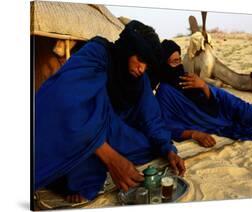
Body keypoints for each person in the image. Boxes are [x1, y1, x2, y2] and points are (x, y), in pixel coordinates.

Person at [35, 21, 185, 203]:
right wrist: (112, 159)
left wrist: (168, 149)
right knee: (75, 165)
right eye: (140, 60)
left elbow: (151, 117)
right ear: (128, 49)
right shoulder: (97, 54)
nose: (142, 69)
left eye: (147, 64)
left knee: (150, 146)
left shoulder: (140, 79)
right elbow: (63, 101)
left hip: (112, 132)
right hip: (78, 127)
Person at [149, 39, 252, 148]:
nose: (179, 65)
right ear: (164, 65)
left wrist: (203, 85)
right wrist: (195, 134)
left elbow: (214, 100)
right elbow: (168, 126)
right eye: (174, 62)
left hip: (221, 105)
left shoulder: (186, 77)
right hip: (212, 120)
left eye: (179, 60)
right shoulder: (164, 93)